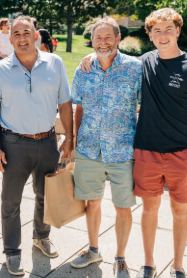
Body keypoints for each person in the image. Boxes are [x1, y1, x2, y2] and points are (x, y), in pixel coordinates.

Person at [0, 15, 73, 276]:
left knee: (45, 195)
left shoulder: (55, 63)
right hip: (13, 143)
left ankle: (40, 236)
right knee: (10, 200)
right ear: (10, 38)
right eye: (16, 34)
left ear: (36, 36)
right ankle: (12, 250)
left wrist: (69, 137)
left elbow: (65, 103)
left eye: (27, 32)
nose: (22, 38)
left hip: (47, 142)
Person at [131, 8, 187, 278]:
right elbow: (111, 61)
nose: (163, 35)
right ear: (150, 35)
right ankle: (149, 263)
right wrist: (88, 57)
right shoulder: (143, 62)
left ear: (178, 31)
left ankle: (177, 265)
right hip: (146, 152)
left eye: (168, 29)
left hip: (181, 154)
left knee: (180, 211)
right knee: (149, 210)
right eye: (157, 30)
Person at [67, 17, 142, 278]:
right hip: (90, 150)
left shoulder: (135, 68)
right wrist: (74, 143)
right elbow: (78, 107)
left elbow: (146, 106)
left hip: (123, 151)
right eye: (98, 38)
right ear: (92, 41)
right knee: (92, 203)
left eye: (108, 37)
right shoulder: (84, 69)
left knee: (123, 208)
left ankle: (120, 258)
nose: (103, 42)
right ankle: (93, 249)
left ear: (118, 39)